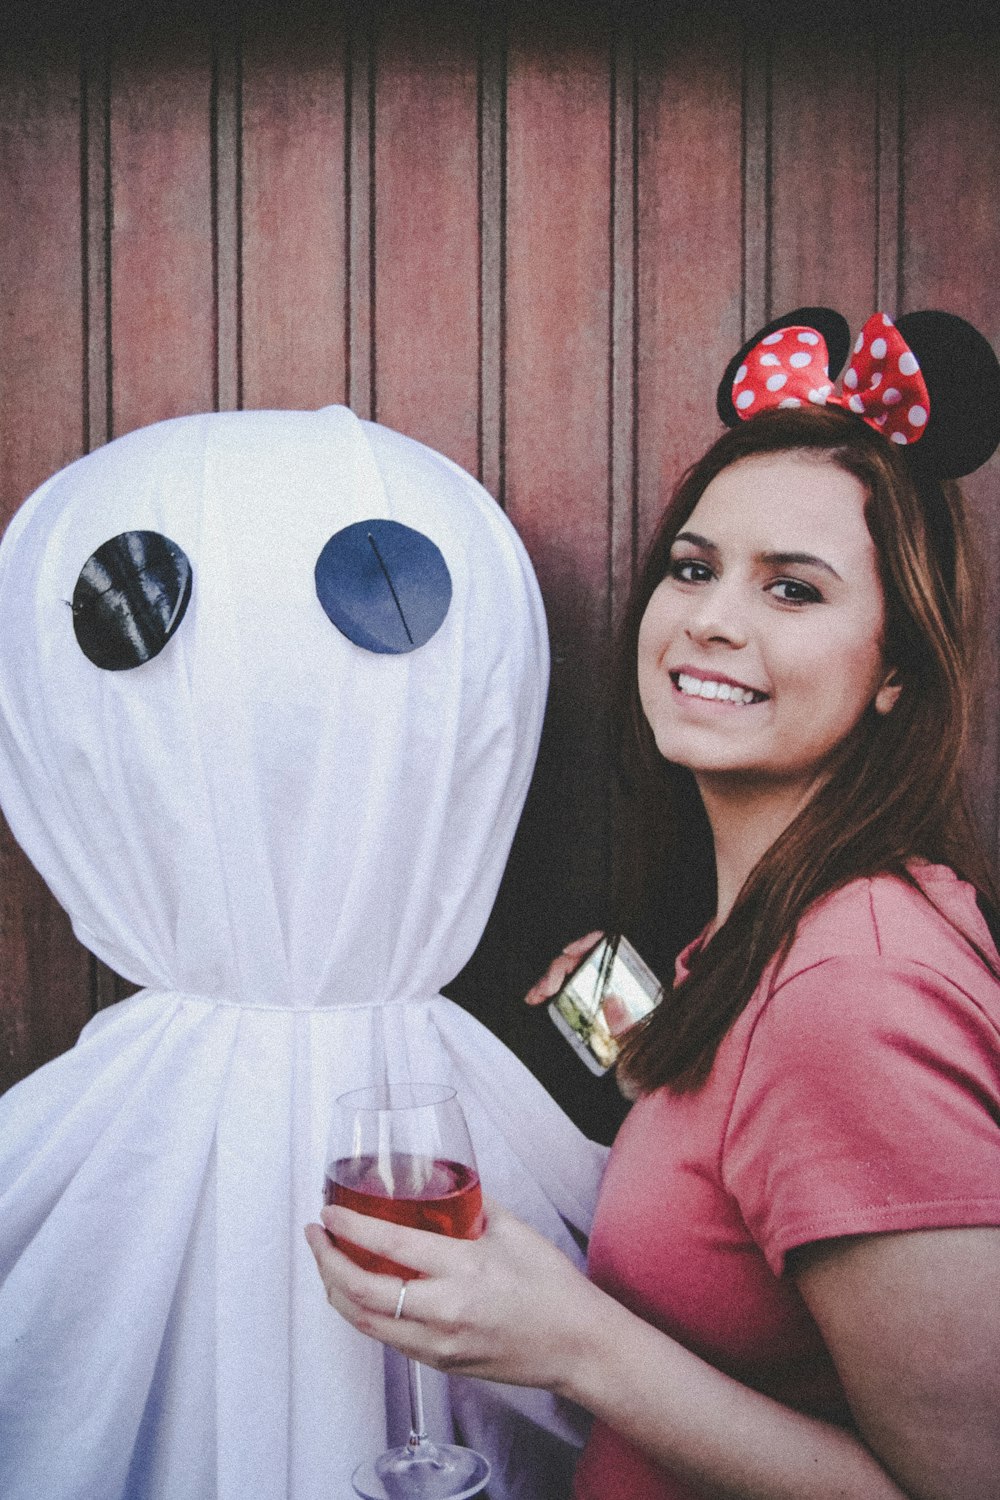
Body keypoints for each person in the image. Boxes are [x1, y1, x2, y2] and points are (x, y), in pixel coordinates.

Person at [307, 309, 1000, 1500]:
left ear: (896, 670)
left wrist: (569, 1339)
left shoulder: (856, 988)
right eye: (694, 567)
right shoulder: (774, 938)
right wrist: (671, 1061)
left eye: (793, 589)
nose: (710, 619)